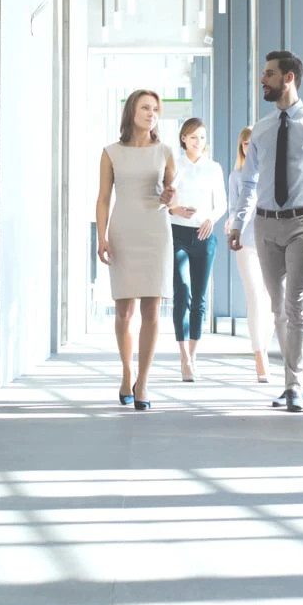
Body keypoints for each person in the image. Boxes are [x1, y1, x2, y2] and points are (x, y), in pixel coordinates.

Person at [227, 51, 303, 412]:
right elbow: (248, 183)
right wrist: (237, 224)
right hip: (264, 225)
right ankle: (290, 382)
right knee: (277, 307)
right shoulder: (262, 128)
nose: (262, 80)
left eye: (269, 75)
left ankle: (295, 384)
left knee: (297, 305)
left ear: (289, 78)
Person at [96, 89, 176, 410]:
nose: (151, 113)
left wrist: (172, 197)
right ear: (131, 111)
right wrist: (101, 237)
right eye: (145, 107)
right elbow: (103, 198)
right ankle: (127, 370)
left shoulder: (166, 152)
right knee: (123, 312)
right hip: (123, 230)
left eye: (155, 109)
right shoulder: (111, 152)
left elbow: (173, 194)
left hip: (155, 231)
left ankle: (143, 380)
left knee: (152, 312)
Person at [168, 117, 227, 381]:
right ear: (183, 138)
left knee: (200, 299)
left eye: (202, 137)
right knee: (182, 292)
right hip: (176, 233)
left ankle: (193, 355)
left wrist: (210, 219)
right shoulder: (173, 165)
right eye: (193, 137)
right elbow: (163, 198)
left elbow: (222, 203)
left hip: (204, 235)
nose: (198, 142)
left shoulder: (213, 168)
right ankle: (183, 358)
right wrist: (174, 209)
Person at [225, 126, 274, 383]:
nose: (249, 147)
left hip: (271, 241)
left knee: (272, 301)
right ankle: (260, 355)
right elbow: (234, 206)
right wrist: (232, 221)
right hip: (245, 241)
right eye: (245, 143)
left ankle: (264, 345)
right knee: (255, 297)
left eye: (252, 143)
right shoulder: (236, 176)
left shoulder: (270, 174)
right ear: (241, 147)